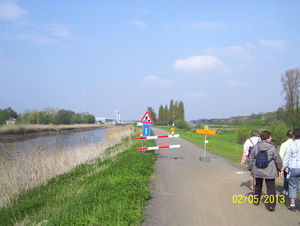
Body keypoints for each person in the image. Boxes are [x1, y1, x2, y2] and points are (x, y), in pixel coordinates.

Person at [248, 131, 282, 211]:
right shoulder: (273, 148)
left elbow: (251, 157)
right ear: (267, 138)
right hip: (269, 171)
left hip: (258, 170)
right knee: (271, 187)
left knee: (258, 185)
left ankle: (256, 201)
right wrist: (279, 168)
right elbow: (278, 160)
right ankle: (271, 205)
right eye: (270, 137)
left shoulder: (256, 147)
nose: (271, 138)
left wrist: (250, 167)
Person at [280, 128, 300, 212]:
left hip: (293, 167)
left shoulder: (292, 145)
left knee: (292, 186)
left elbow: (287, 158)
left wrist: (282, 169)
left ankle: (292, 204)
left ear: (294, 136)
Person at [279, 130, 293, 196]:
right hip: (295, 164)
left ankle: (286, 190)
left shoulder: (284, 144)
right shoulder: (296, 144)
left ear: (286, 136)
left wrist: (280, 166)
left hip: (286, 164)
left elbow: (281, 155)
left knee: (286, 177)